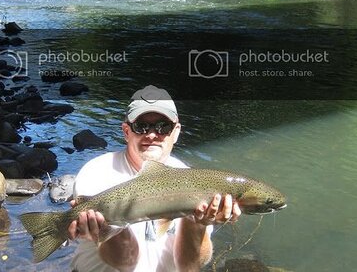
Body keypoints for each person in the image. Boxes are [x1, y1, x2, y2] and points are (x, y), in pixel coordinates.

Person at [68, 85, 241, 272]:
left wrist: (198, 223)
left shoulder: (193, 182)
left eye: (163, 127)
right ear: (127, 132)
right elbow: (125, 262)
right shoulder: (97, 172)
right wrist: (107, 228)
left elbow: (189, 266)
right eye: (141, 126)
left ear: (175, 133)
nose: (152, 135)